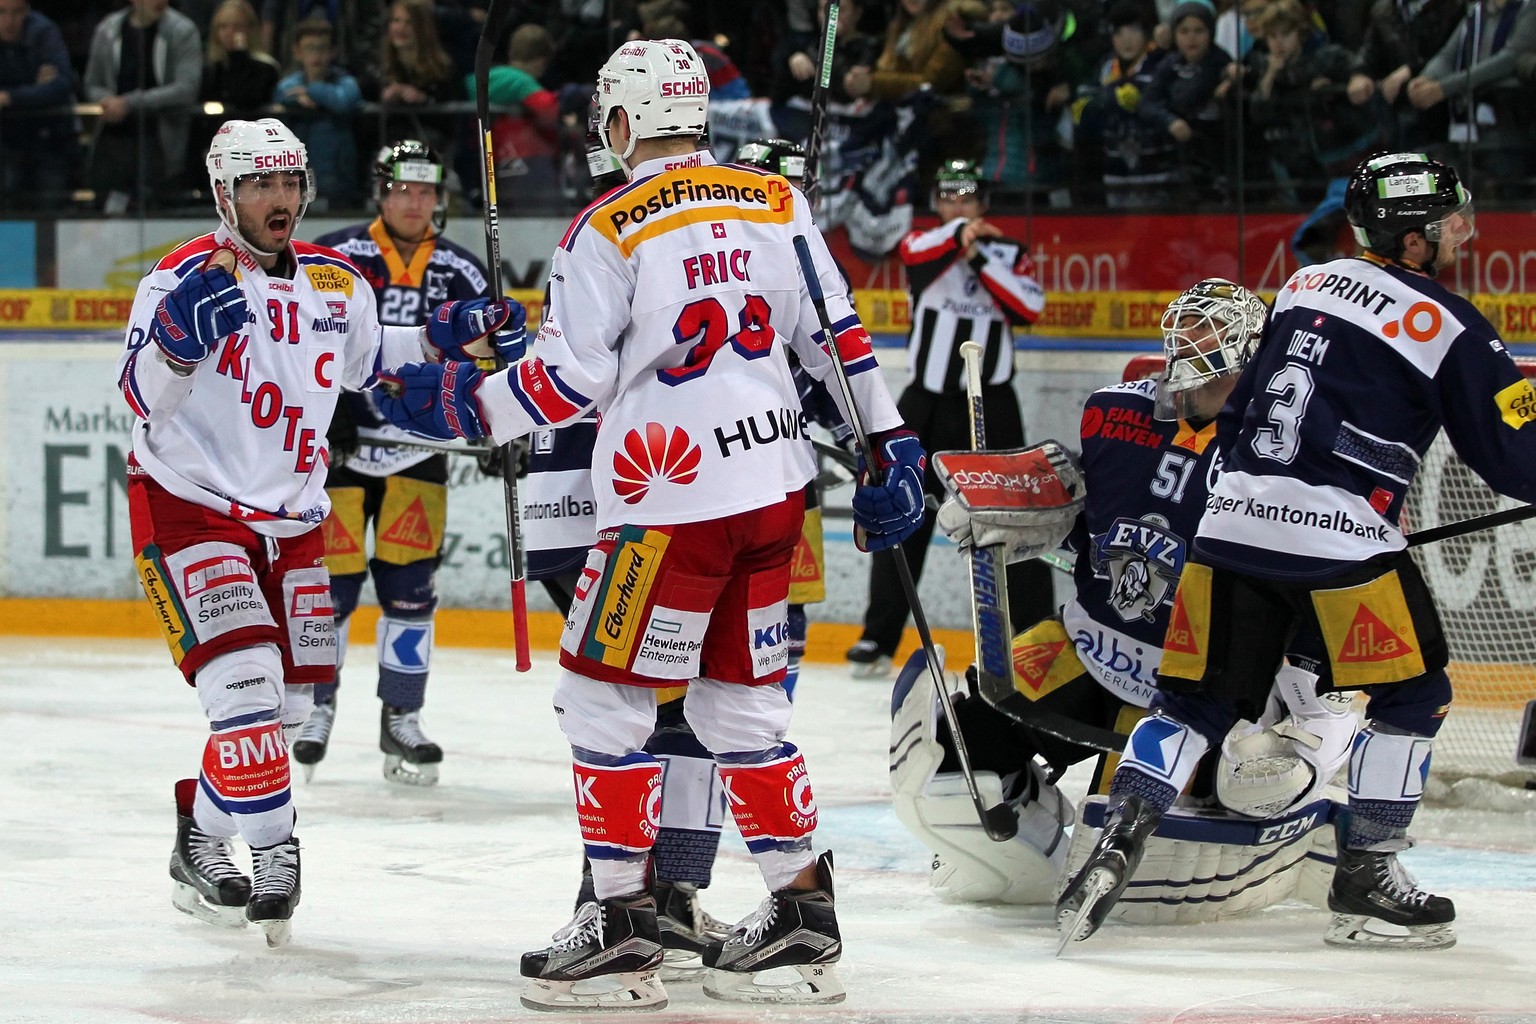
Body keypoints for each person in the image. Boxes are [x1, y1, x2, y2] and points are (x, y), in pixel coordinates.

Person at [371, 39, 925, 1010]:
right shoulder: (777, 201)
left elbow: (563, 383)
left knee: (602, 704)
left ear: (618, 124)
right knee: (739, 709)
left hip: (665, 507)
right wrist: (891, 449)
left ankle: (623, 929)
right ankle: (802, 914)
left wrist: (457, 403)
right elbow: (836, 341)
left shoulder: (609, 224)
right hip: (772, 499)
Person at [1057, 152, 1533, 951]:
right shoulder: (1448, 325)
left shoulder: (1306, 284)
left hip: (1232, 522)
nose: (1467, 231)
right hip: (1341, 545)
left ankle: (1120, 834)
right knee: (1414, 695)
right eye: (1453, 220)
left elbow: (1244, 402)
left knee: (1191, 705)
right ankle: (1367, 874)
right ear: (1416, 238)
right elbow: (1513, 460)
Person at [117, 117, 514, 946]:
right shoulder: (176, 278)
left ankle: (201, 833)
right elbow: (138, 398)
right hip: (191, 510)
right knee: (248, 696)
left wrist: (456, 331)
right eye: (261, 183)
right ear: (223, 192)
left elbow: (373, 359)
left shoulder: (337, 283)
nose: (280, 199)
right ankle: (275, 848)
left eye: (291, 182)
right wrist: (180, 344)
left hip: (295, 519)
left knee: (291, 714)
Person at [891, 279, 1355, 920]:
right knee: (954, 749)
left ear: (1251, 349)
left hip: (1189, 686)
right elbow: (1084, 512)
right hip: (1084, 644)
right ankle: (1026, 844)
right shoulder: (1115, 410)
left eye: (1209, 331)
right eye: (1185, 328)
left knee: (1132, 844)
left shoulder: (1277, 451)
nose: (1189, 343)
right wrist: (1008, 509)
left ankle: (1326, 835)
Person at [293, 139, 497, 787]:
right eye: (403, 189)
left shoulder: (463, 270)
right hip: (343, 455)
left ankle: (402, 716)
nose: (415, 201)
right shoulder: (336, 257)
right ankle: (316, 707)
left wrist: (497, 422)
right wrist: (333, 417)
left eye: (426, 191)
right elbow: (301, 339)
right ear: (381, 191)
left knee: (411, 593)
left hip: (420, 454)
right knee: (331, 590)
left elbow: (489, 353)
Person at [846, 158, 1051, 679]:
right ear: (938, 204)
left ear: (983, 202)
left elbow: (1027, 306)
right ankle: (878, 634)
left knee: (1013, 519)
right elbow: (913, 257)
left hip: (993, 402)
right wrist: (961, 234)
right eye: (948, 198)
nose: (958, 206)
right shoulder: (925, 244)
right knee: (902, 511)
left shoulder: (1009, 253)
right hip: (926, 402)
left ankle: (1030, 634)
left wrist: (979, 257)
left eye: (967, 198)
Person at [82, 0, 203, 213]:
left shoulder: (182, 30)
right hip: (114, 139)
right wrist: (107, 100)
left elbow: (186, 88)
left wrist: (129, 103)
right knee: (109, 209)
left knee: (158, 209)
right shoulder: (108, 30)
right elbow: (92, 83)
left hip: (160, 139)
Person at [273, 19, 362, 210]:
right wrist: (300, 99)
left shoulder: (346, 82)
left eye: (322, 48)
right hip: (299, 173)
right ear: (297, 51)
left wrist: (312, 91)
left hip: (340, 172)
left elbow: (343, 100)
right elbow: (282, 94)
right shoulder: (289, 84)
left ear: (333, 51)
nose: (316, 55)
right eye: (310, 48)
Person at [0, 0, 78, 211]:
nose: (9, 21)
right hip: (6, 140)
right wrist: (34, 88)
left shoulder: (43, 32)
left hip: (50, 139)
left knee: (50, 206)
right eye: (2, 12)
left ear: (27, 11)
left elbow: (62, 85)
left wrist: (10, 97)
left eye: (16, 13)